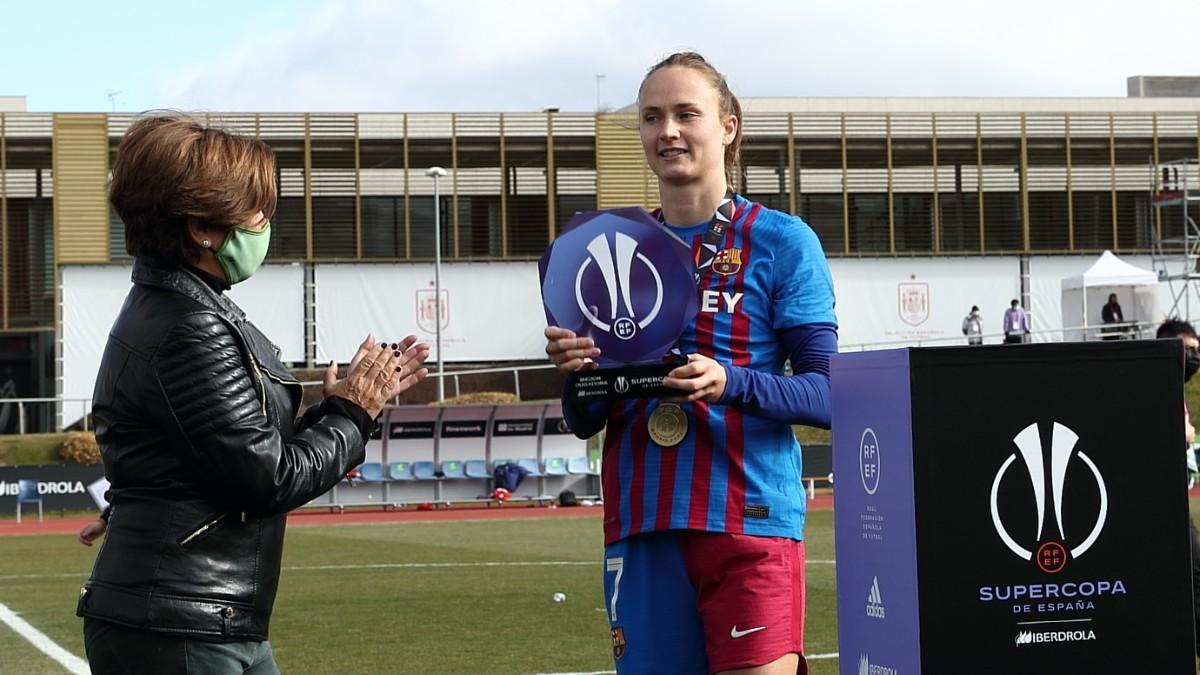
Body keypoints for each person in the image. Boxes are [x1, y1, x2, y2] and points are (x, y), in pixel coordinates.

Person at [75, 115, 430, 674]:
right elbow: (265, 478)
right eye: (255, 209)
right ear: (201, 228)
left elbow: (215, 450)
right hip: (183, 623)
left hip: (194, 616)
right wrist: (353, 412)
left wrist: (334, 410)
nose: (265, 223)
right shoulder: (191, 325)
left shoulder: (180, 307)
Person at [545, 52, 836, 675]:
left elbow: (829, 393)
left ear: (727, 125)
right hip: (643, 523)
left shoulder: (782, 242)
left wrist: (729, 382)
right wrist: (577, 370)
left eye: (686, 114)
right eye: (652, 117)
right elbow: (584, 416)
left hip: (748, 521)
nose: (668, 131)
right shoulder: (608, 249)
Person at [1155, 318, 1200, 656]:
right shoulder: (1155, 387)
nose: (1195, 358)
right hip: (1164, 506)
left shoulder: (1175, 387)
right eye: (1189, 350)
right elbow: (1182, 434)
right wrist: (1186, 431)